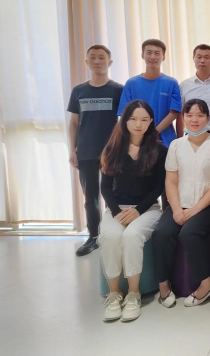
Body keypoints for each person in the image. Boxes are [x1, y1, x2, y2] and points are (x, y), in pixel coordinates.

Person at [152, 99, 210, 308]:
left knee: (189, 233)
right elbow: (171, 181)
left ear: (208, 118)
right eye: (190, 115)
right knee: (161, 233)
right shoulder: (176, 145)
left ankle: (208, 282)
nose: (195, 120)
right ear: (183, 118)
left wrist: (194, 210)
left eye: (200, 115)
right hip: (180, 204)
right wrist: (177, 209)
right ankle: (163, 285)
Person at [98, 100, 167, 322]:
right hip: (116, 209)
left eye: (144, 119)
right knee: (110, 236)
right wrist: (117, 212)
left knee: (131, 236)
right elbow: (105, 187)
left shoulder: (159, 150)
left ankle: (133, 294)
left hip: (147, 209)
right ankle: (114, 294)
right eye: (134, 119)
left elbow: (159, 187)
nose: (139, 124)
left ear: (151, 122)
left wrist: (138, 211)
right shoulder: (112, 149)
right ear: (125, 121)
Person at [67, 45, 123, 256]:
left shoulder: (118, 90)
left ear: (109, 62)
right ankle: (93, 237)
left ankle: (114, 234)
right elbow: (74, 123)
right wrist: (72, 150)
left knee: (114, 195)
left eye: (102, 58)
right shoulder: (79, 91)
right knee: (90, 198)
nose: (97, 61)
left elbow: (124, 122)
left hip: (112, 152)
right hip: (86, 151)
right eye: (93, 58)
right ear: (87, 62)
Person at [118, 39, 182, 147]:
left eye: (157, 53)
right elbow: (125, 114)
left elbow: (174, 113)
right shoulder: (131, 83)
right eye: (149, 52)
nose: (152, 57)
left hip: (165, 141)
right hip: (137, 141)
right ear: (142, 55)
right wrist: (143, 134)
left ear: (163, 57)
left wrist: (155, 132)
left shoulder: (172, 83)